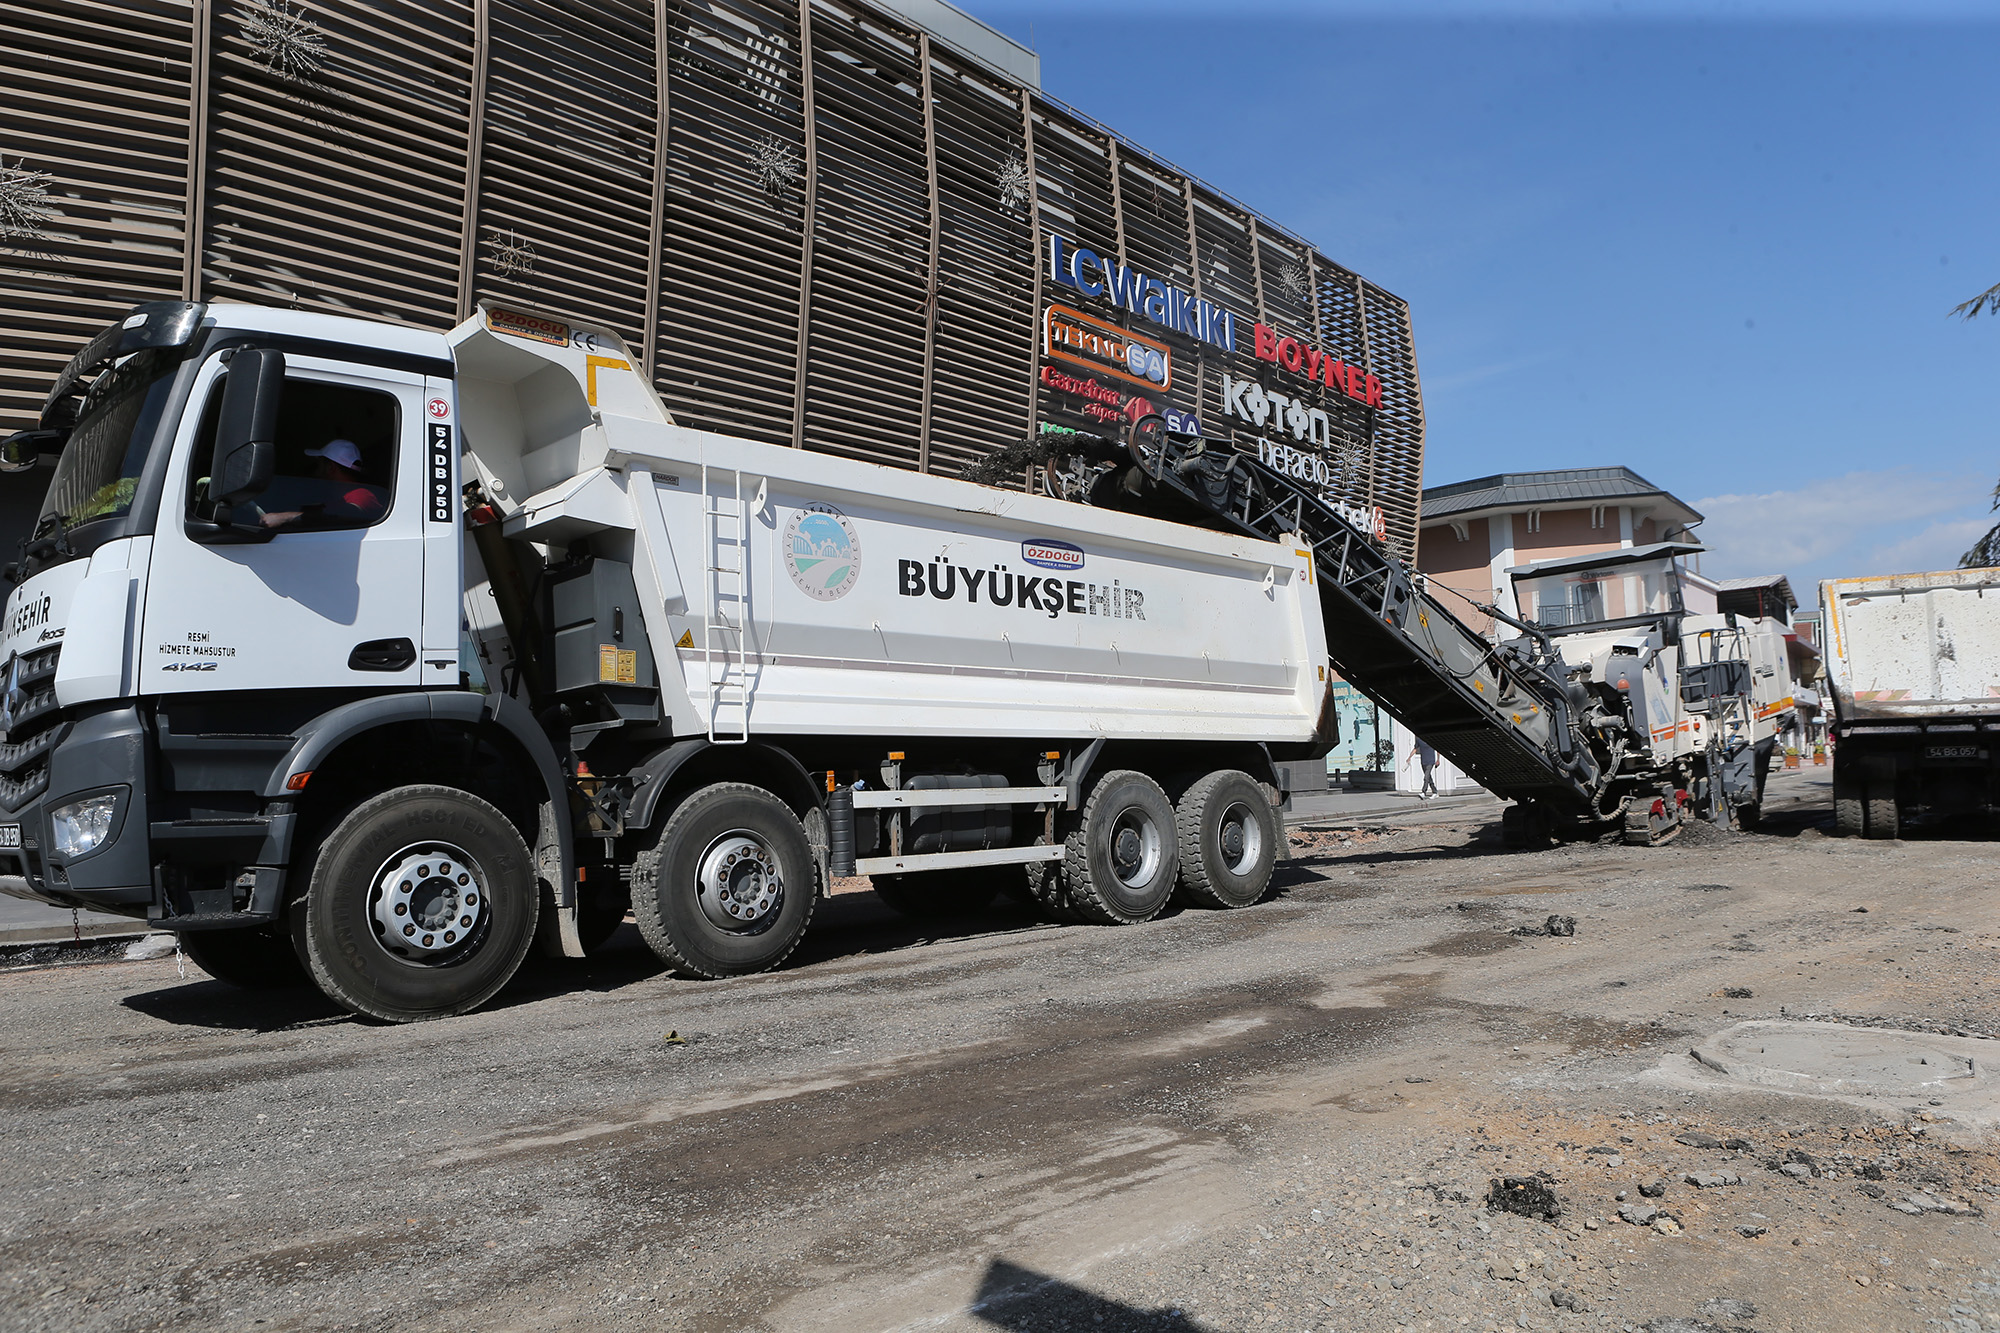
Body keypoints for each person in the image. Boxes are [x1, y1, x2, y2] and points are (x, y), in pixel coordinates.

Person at [260, 438, 388, 529]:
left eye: (318, 464)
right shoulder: (335, 501)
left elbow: (345, 514)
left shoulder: (362, 494)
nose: (315, 470)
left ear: (330, 468)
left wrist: (285, 517)